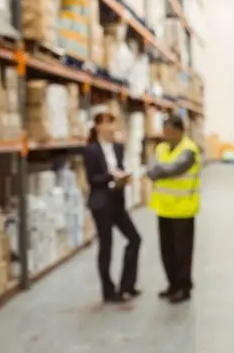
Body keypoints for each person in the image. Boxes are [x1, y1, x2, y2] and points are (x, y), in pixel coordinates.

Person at [83, 112, 143, 304]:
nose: (112, 129)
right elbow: (93, 179)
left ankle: (127, 285)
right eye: (108, 124)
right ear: (98, 127)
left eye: (113, 124)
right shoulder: (91, 150)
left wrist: (123, 178)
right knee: (106, 246)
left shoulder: (118, 147)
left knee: (135, 239)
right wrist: (111, 176)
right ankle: (108, 291)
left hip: (117, 201)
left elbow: (120, 168)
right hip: (102, 204)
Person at [146, 114, 201, 304]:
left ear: (180, 131)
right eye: (165, 132)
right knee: (167, 251)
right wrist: (158, 170)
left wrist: (158, 171)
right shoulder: (161, 148)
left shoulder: (189, 150)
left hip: (183, 209)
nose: (166, 136)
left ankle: (184, 287)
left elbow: (175, 169)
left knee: (182, 252)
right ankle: (172, 284)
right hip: (163, 208)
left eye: (170, 132)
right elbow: (152, 166)